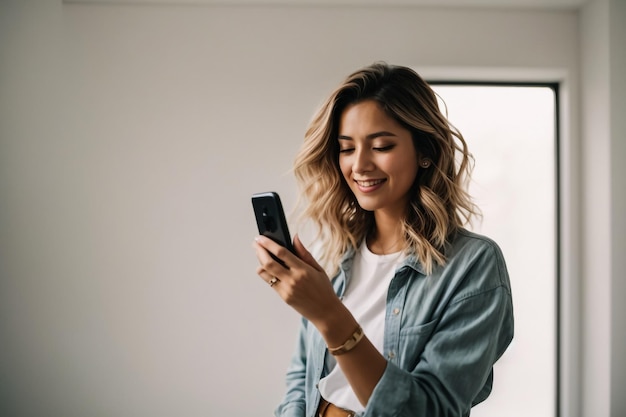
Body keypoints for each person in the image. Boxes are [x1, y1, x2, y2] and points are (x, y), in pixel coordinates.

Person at [252, 62, 514, 417]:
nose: (359, 165)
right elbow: (302, 378)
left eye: (381, 146)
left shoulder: (473, 265)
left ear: (425, 151)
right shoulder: (334, 256)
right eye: (347, 148)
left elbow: (431, 410)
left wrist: (331, 316)